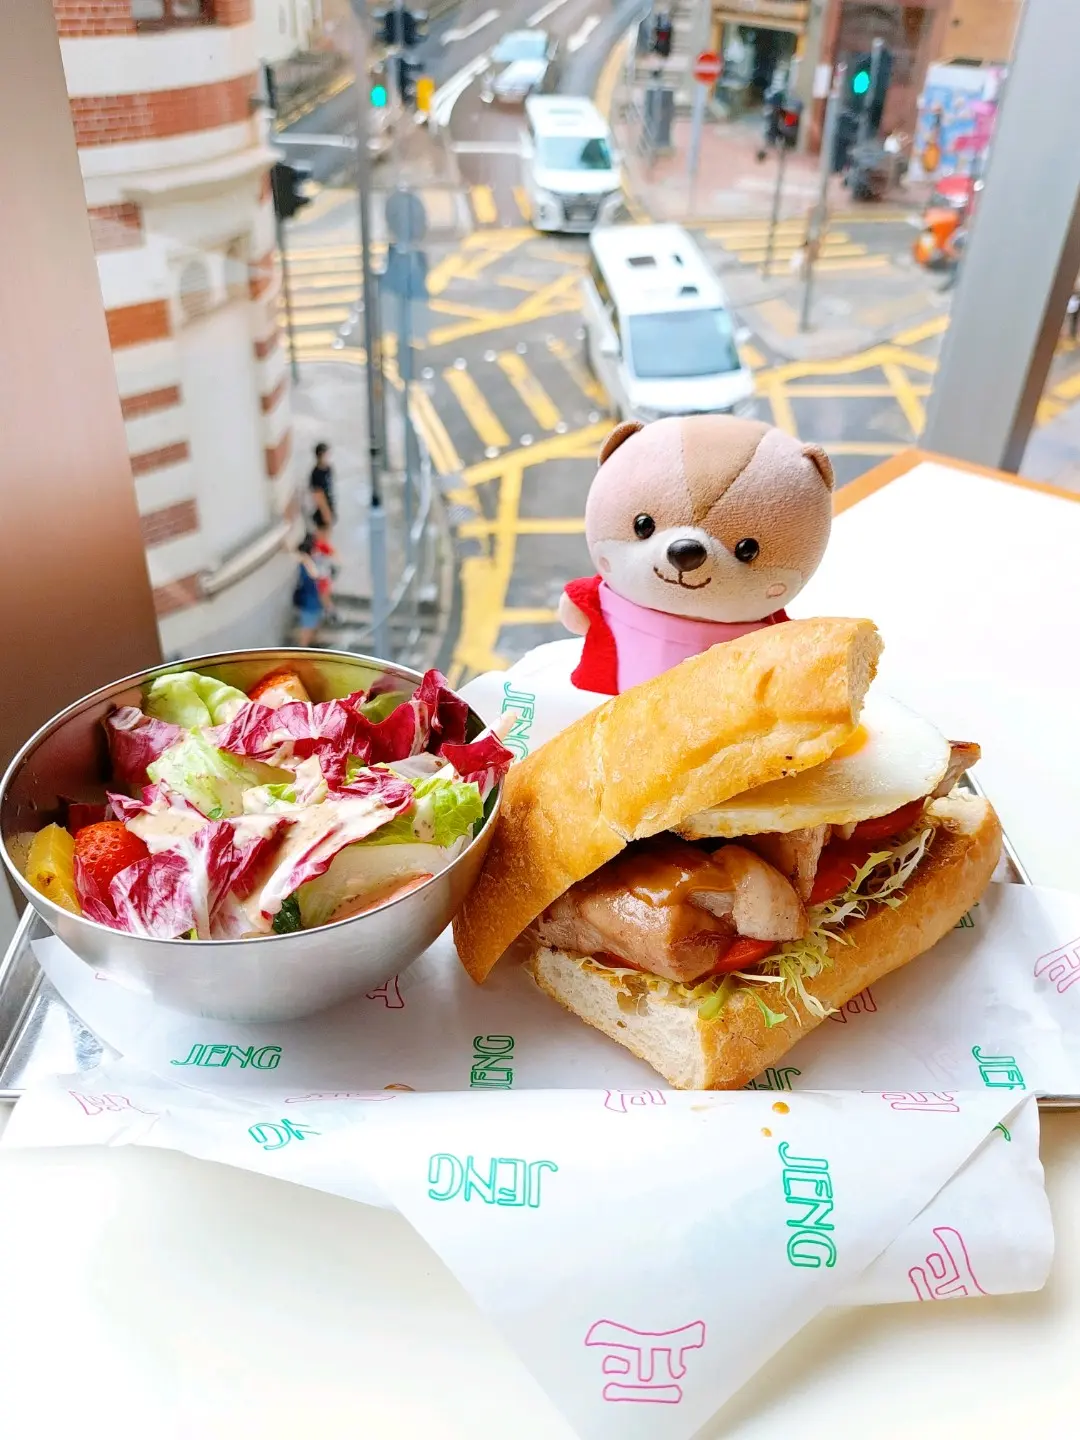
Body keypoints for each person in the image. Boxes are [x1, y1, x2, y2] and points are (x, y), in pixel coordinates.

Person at [293, 533, 323, 646]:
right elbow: (315, 575)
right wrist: (306, 559)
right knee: (306, 634)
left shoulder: (306, 563)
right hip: (309, 604)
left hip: (313, 603)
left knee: (312, 632)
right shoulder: (306, 564)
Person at [309, 442, 336, 532]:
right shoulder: (316, 474)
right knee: (323, 535)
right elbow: (318, 495)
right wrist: (326, 514)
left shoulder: (328, 469)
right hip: (321, 512)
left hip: (330, 505)